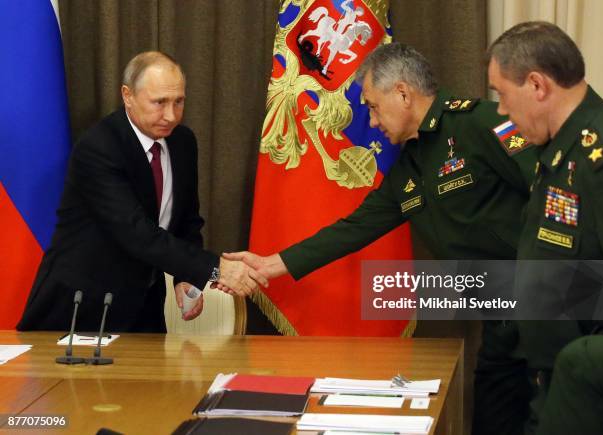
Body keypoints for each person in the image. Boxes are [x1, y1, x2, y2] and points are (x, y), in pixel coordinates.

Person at [225, 43, 536, 435]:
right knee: (492, 419)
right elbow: (355, 228)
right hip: (500, 315)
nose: (371, 122)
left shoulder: (480, 124)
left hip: (548, 302)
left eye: (372, 106)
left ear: (403, 94)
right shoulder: (411, 164)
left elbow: (550, 192)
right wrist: (270, 264)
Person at [17, 51, 266, 333]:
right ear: (128, 95)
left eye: (179, 101)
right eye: (159, 102)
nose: (171, 115)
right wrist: (217, 268)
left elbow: (187, 221)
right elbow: (137, 233)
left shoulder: (182, 142)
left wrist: (185, 277)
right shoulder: (99, 147)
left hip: (143, 307)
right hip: (82, 306)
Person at [487, 21, 603, 434]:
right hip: (547, 372)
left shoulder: (602, 155)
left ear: (537, 86)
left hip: (585, 386)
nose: (501, 110)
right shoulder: (557, 146)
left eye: (502, 95)